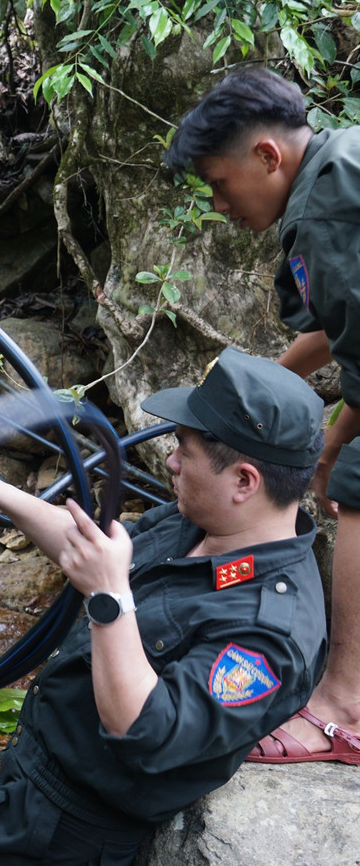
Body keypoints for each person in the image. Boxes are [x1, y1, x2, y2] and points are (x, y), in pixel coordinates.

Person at [0, 348, 327, 865]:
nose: (171, 461)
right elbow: (101, 551)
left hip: (67, 835)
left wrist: (110, 598)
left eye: (184, 450)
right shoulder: (204, 524)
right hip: (31, 782)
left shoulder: (270, 633)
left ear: (244, 482)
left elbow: (147, 732)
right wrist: (0, 494)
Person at [166, 67, 360, 765]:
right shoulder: (339, 165)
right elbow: (343, 326)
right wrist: (257, 390)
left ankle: (342, 707)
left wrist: (331, 450)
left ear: (267, 157)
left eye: (219, 184)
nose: (218, 203)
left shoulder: (330, 205)